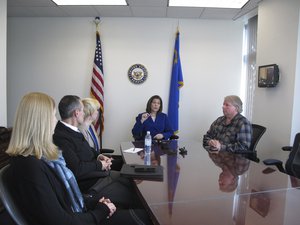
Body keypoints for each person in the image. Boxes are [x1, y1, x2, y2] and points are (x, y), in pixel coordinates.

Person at [5, 92, 151, 225]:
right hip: (79, 217)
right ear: (40, 122)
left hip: (81, 209)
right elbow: (60, 220)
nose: (55, 121)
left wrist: (97, 204)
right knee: (145, 217)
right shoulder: (30, 167)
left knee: (143, 211)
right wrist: (100, 211)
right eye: (53, 115)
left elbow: (64, 199)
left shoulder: (39, 159)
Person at [53, 95, 142, 209]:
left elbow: (87, 149)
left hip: (97, 176)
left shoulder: (72, 130)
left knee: (132, 180)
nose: (84, 113)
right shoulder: (61, 136)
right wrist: (100, 164)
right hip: (91, 183)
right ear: (76, 113)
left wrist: (99, 156)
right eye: (82, 110)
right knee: (135, 194)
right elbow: (77, 169)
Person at [79, 97, 123, 171]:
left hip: (99, 159)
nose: (98, 112)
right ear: (90, 111)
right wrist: (103, 162)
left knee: (125, 164)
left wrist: (103, 157)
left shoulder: (91, 126)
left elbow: (94, 149)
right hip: (94, 166)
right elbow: (86, 154)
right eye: (96, 110)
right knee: (124, 166)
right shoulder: (81, 129)